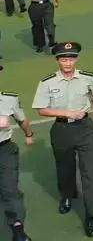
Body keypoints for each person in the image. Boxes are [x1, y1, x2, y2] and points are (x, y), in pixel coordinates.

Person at [33, 42, 93, 237]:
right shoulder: (47, 82)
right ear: (57, 60)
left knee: (89, 172)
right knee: (64, 168)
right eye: (64, 59)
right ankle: (66, 196)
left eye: (71, 58)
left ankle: (90, 216)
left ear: (76, 59)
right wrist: (66, 112)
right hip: (61, 129)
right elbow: (41, 109)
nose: (68, 62)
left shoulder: (88, 78)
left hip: (85, 129)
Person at [0, 88, 34, 241]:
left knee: (10, 189)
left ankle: (17, 229)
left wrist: (28, 133)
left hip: (5, 150)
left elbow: (21, 119)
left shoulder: (9, 99)